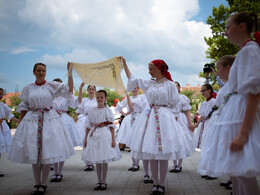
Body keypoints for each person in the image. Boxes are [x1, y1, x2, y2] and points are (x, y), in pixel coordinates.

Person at [198, 12, 260, 195]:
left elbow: (254, 93)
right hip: (235, 114)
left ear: (241, 27)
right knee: (239, 173)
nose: (225, 32)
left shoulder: (250, 51)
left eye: (227, 27)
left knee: (244, 173)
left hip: (240, 117)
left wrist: (243, 133)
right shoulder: (245, 51)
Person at [122, 57, 194, 194]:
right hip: (149, 118)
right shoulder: (150, 83)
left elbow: (175, 103)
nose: (149, 72)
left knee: (163, 153)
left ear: (160, 69)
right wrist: (125, 64)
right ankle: (155, 183)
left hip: (164, 117)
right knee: (151, 152)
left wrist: (170, 118)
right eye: (148, 69)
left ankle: (161, 184)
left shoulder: (170, 85)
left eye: (151, 69)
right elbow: (133, 79)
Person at [8, 62, 75, 195]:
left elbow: (69, 90)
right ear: (34, 72)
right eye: (38, 70)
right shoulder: (29, 88)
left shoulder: (51, 85)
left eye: (43, 70)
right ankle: (36, 183)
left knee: (46, 154)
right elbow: (23, 107)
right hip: (32, 120)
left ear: (46, 72)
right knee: (34, 153)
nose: (41, 72)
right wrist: (21, 127)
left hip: (49, 120)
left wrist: (70, 73)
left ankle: (43, 184)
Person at [82, 90, 121, 191]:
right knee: (97, 160)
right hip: (94, 135)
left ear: (105, 98)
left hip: (104, 134)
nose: (99, 99)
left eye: (101, 97)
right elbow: (88, 125)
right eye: (98, 97)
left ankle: (104, 181)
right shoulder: (92, 110)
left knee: (104, 160)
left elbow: (111, 126)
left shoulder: (108, 110)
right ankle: (98, 180)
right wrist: (85, 139)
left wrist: (113, 139)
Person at [49, 78, 81, 183]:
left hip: (63, 120)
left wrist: (70, 74)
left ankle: (60, 172)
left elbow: (71, 91)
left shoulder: (65, 96)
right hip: (52, 119)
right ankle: (54, 172)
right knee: (53, 146)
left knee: (61, 147)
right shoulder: (50, 97)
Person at [169, 82, 195, 173]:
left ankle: (179, 165)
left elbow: (187, 111)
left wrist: (190, 123)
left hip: (180, 120)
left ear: (179, 88)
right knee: (173, 141)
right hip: (171, 120)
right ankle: (174, 164)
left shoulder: (182, 98)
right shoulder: (169, 98)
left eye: (175, 86)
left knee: (181, 141)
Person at [75, 83, 97, 171]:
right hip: (84, 121)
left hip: (94, 121)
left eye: (93, 89)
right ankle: (87, 162)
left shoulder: (97, 100)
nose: (91, 91)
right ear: (87, 90)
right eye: (90, 89)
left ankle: (92, 161)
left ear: (95, 90)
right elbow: (79, 110)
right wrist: (75, 119)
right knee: (86, 141)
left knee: (93, 141)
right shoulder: (84, 100)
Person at [0, 88, 19, 177]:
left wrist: (19, 120)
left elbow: (9, 115)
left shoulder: (3, 105)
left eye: (1, 94)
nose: (0, 96)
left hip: (2, 126)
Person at [193, 84, 216, 151]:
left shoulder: (213, 101)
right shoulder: (203, 103)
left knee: (209, 141)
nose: (202, 92)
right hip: (203, 124)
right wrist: (196, 125)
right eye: (201, 91)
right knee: (203, 143)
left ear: (209, 90)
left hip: (211, 123)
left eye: (203, 90)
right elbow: (202, 116)